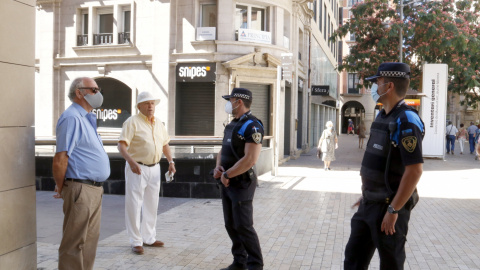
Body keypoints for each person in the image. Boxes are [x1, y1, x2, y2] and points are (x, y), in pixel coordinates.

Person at [344, 62, 425, 270]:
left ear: (388, 86)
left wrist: (393, 209)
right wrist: (367, 195)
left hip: (389, 208)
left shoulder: (407, 120)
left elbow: (414, 170)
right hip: (369, 203)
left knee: (390, 264)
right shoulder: (382, 115)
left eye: (377, 82)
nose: (373, 87)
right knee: (353, 260)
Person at [53, 77, 110, 270]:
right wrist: (61, 187)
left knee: (88, 243)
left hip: (92, 189)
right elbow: (61, 158)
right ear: (79, 93)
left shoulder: (86, 118)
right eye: (94, 90)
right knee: (74, 244)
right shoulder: (72, 118)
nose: (98, 93)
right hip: (80, 188)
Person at [118, 91, 176, 255]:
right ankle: (136, 241)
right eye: (146, 103)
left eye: (152, 103)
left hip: (155, 168)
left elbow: (165, 144)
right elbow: (121, 145)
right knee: (134, 205)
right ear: (139, 106)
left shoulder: (158, 123)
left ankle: (149, 238)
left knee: (152, 204)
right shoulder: (132, 122)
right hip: (137, 168)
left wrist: (171, 162)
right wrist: (131, 162)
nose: (150, 106)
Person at [213, 88, 264, 270]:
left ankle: (255, 265)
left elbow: (250, 159)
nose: (228, 103)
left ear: (239, 102)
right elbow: (222, 151)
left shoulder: (253, 126)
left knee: (244, 226)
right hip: (227, 181)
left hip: (241, 182)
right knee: (231, 224)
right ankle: (239, 262)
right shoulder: (232, 124)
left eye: (230, 99)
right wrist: (219, 167)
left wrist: (228, 174)